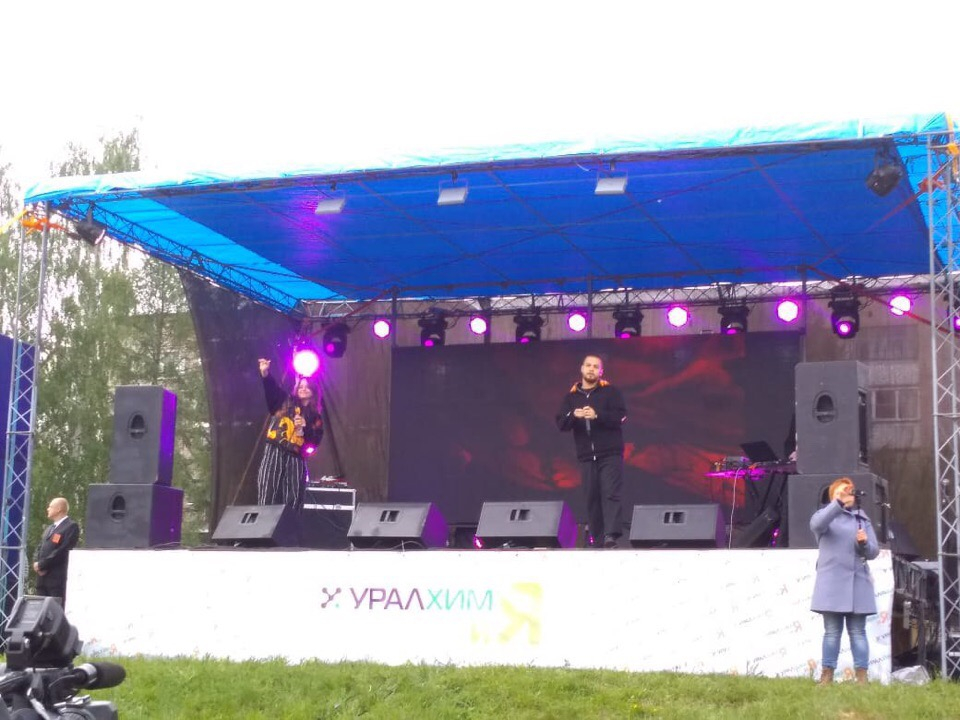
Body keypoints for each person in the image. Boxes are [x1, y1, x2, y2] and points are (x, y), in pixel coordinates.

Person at [810, 476, 880, 684]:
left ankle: (862, 678)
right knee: (832, 633)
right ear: (833, 496)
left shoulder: (862, 519)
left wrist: (864, 543)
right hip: (832, 585)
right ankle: (827, 676)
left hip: (858, 583)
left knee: (858, 632)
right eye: (841, 492)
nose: (847, 495)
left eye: (849, 492)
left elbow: (873, 552)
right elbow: (817, 525)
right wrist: (838, 503)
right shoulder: (824, 517)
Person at [556, 354, 627, 548]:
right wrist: (574, 415)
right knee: (592, 496)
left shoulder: (610, 392)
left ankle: (611, 535)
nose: (591, 369)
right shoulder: (571, 397)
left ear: (601, 371)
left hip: (610, 452)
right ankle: (598, 538)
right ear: (581, 368)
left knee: (610, 493)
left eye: (596, 366)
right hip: (586, 455)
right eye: (588, 365)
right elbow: (561, 423)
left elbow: (621, 416)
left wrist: (598, 415)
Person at [256, 358, 324, 509]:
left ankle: (291, 522)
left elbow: (314, 442)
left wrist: (305, 427)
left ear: (313, 391)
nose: (303, 389)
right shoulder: (286, 401)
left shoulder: (316, 417)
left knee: (294, 497)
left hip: (297, 456)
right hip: (275, 449)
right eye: (301, 386)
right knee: (268, 490)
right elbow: (272, 391)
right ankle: (265, 522)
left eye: (307, 387)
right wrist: (265, 373)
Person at [33, 497, 81, 607]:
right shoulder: (49, 528)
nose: (48, 509)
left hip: (56, 579)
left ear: (59, 509)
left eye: (50, 507)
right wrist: (36, 563)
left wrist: (43, 564)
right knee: (41, 611)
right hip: (42, 579)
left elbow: (63, 551)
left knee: (54, 611)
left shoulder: (70, 526)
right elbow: (40, 547)